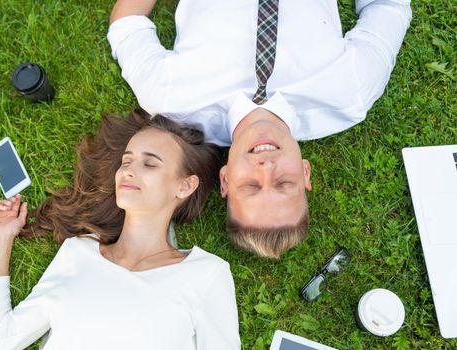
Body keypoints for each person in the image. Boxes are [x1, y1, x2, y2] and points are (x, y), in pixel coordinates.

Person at [106, 0, 412, 258]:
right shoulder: (350, 92)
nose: (266, 168)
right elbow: (388, 6)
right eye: (284, 183)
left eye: (250, 186)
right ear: (305, 172)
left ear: (225, 179)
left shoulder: (169, 97)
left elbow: (127, 24)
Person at [0, 111, 241, 349]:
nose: (129, 171)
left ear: (184, 186)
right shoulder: (78, 253)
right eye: (126, 161)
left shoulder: (205, 275)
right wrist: (1, 238)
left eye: (149, 163)